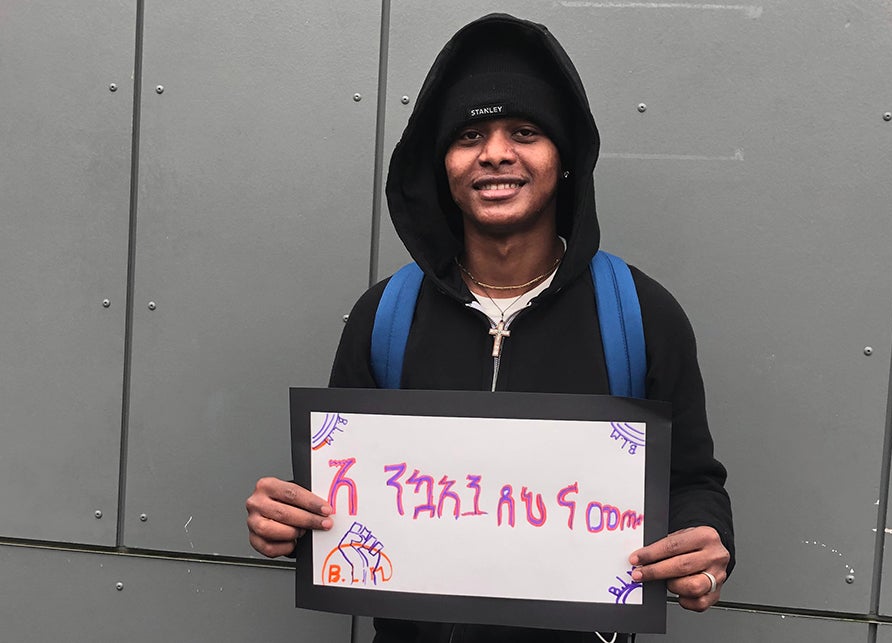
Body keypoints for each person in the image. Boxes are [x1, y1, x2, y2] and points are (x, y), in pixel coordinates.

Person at [247, 13, 734, 643]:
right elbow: (331, 497)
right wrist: (283, 521)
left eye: (525, 132)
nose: (496, 153)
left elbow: (693, 481)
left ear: (564, 161)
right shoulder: (384, 318)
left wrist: (708, 542)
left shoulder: (639, 315)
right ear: (444, 167)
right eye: (470, 134)